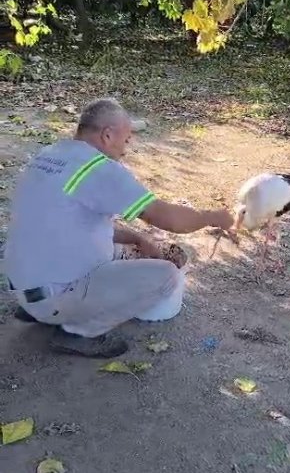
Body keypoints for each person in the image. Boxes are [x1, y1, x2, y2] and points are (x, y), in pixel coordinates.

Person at [4, 98, 233, 358]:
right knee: (167, 276)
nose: (127, 147)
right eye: (126, 139)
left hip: (25, 287)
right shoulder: (97, 169)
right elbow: (170, 219)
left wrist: (135, 237)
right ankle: (78, 331)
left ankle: (44, 309)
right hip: (53, 299)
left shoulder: (50, 155)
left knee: (120, 248)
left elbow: (67, 224)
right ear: (107, 135)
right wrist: (211, 216)